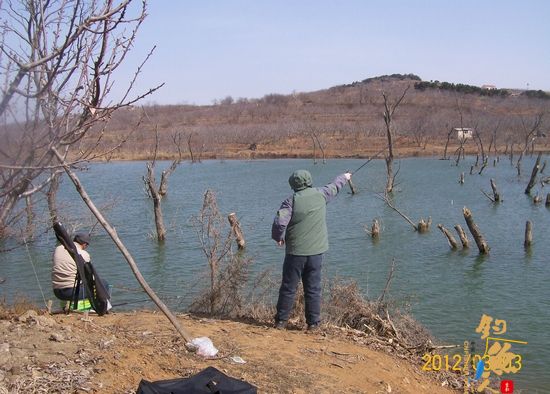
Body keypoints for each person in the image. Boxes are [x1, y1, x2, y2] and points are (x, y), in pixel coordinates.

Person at [271, 169, 351, 330]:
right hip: (316, 252)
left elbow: (280, 223)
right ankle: (313, 324)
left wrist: (278, 237)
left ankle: (281, 321)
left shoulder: (291, 201)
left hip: (295, 253)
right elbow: (335, 186)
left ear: (293, 184)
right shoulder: (322, 194)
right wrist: (345, 177)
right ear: (309, 180)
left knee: (289, 286)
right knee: (313, 288)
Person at [52, 232, 93, 300]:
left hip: (57, 292)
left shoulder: (58, 249)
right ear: (85, 244)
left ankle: (64, 307)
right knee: (103, 284)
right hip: (71, 292)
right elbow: (89, 274)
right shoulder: (84, 254)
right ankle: (103, 308)